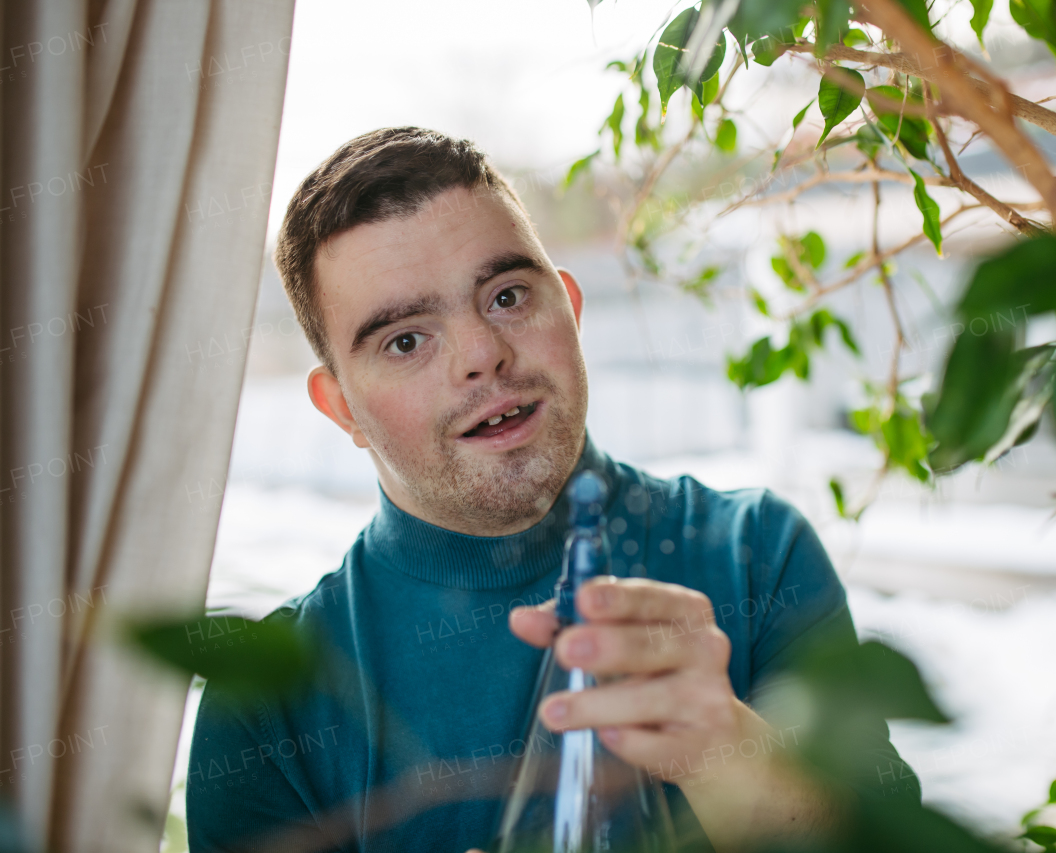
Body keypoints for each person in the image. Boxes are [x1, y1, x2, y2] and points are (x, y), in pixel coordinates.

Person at [186, 127, 916, 853]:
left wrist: (721, 746)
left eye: (507, 296)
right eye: (406, 340)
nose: (483, 354)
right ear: (342, 407)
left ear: (569, 304)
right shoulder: (264, 708)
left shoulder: (758, 553)